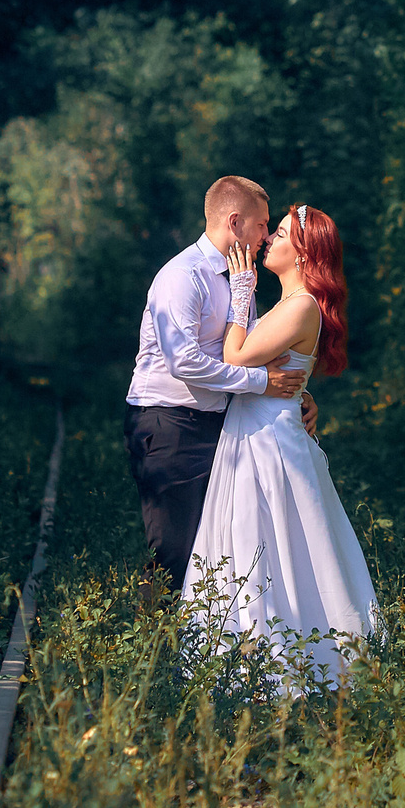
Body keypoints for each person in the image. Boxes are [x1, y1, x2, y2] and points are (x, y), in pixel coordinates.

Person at [180, 203, 379, 688]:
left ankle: (292, 665)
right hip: (256, 432)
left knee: (274, 542)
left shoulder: (302, 305)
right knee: (251, 540)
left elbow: (235, 358)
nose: (270, 239)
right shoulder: (289, 304)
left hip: (269, 442)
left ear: (305, 255)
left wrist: (240, 292)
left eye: (284, 234)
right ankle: (246, 658)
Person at [125, 176, 309, 596]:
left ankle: (203, 636)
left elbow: (252, 349)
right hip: (167, 423)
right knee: (174, 548)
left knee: (216, 546)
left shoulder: (239, 277)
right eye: (262, 224)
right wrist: (261, 383)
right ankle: (149, 633)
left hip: (219, 424)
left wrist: (299, 392)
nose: (265, 235)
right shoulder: (182, 276)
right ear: (235, 221)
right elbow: (184, 362)